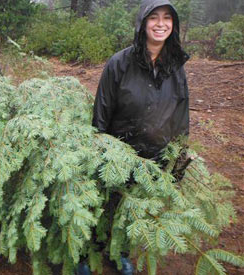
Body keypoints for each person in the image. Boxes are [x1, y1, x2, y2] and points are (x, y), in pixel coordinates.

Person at [86, 0, 190, 274]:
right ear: (143, 23)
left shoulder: (176, 67)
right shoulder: (120, 63)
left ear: (174, 25)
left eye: (167, 18)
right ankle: (90, 254)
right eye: (154, 17)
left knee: (132, 210)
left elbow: (180, 114)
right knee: (107, 204)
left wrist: (177, 159)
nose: (160, 24)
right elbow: (102, 110)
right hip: (118, 153)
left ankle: (120, 253)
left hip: (154, 157)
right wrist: (101, 149)